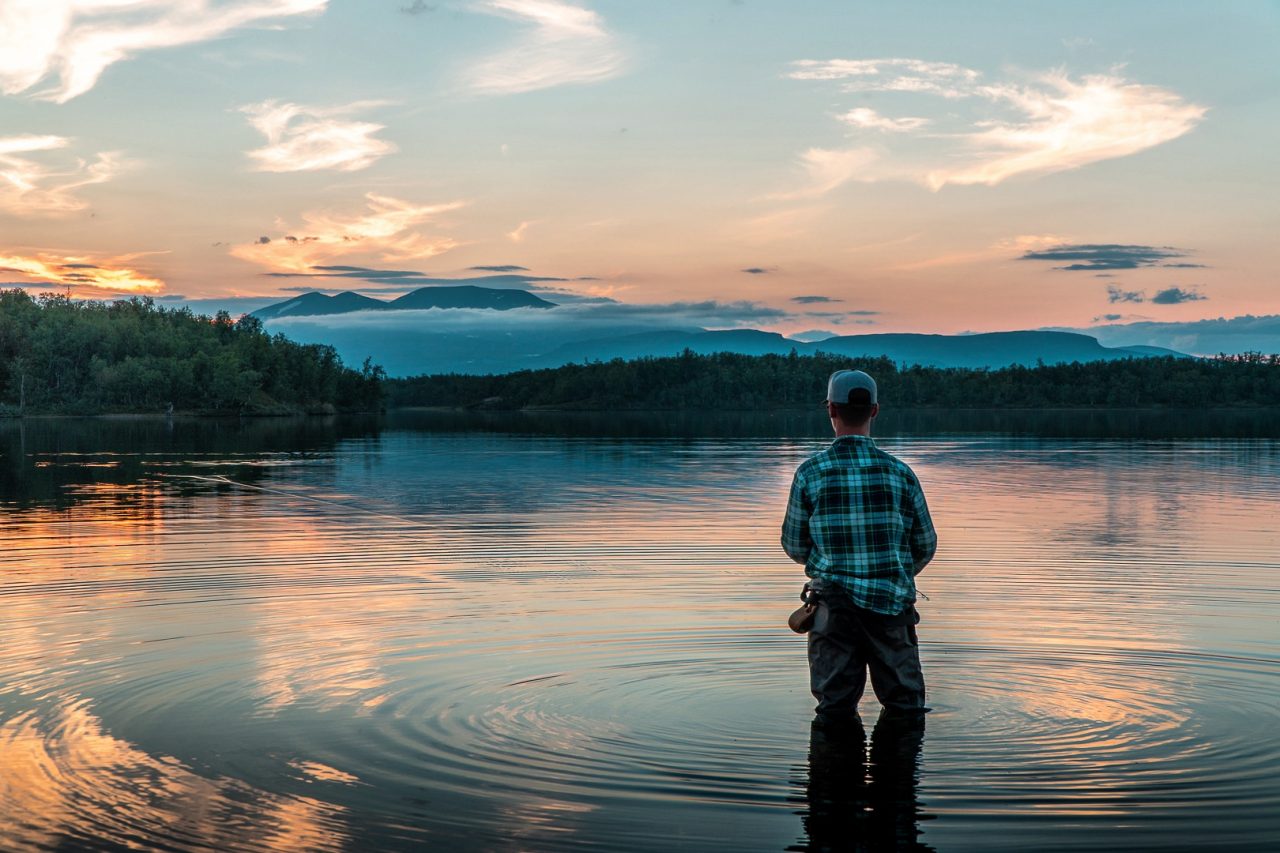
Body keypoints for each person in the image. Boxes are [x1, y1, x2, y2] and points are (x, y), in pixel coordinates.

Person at [781, 369, 937, 720]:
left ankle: (833, 772)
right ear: (875, 411)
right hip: (891, 606)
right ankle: (897, 771)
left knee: (834, 709)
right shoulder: (900, 473)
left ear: (831, 410)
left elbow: (793, 544)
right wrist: (891, 571)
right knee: (905, 708)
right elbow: (925, 544)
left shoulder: (810, 472)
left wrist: (830, 563)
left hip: (832, 608)